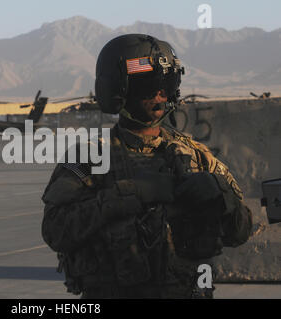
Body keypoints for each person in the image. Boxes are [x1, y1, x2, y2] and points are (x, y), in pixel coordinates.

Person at [41, 34, 253, 299]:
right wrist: (128, 195)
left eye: (167, 83)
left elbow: (241, 231)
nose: (160, 93)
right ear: (118, 90)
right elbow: (55, 230)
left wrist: (221, 197)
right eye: (149, 85)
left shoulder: (196, 156)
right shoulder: (88, 157)